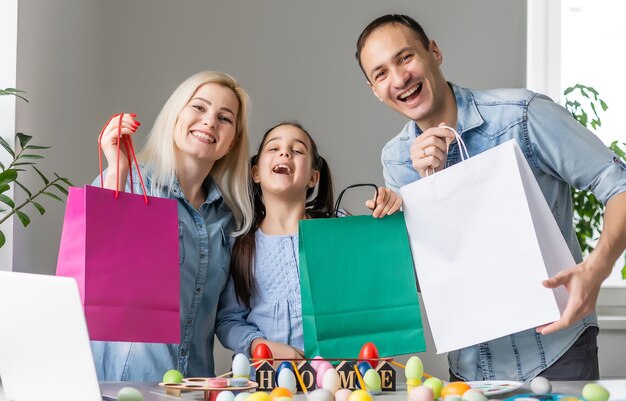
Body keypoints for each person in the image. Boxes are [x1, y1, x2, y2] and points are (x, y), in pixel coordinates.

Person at [355, 14, 626, 381]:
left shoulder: (523, 116)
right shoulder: (397, 159)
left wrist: (597, 269)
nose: (399, 78)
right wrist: (418, 197)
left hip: (558, 350)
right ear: (374, 89)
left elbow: (618, 184)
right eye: (381, 73)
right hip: (470, 370)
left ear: (434, 52)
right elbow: (429, 279)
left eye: (405, 58)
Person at [91, 71, 253, 381]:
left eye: (224, 118)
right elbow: (91, 276)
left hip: (192, 386)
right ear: (175, 115)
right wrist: (117, 172)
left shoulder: (228, 218)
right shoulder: (129, 183)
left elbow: (228, 314)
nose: (209, 122)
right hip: (123, 386)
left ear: (232, 143)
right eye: (199, 107)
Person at [216, 122, 402, 358]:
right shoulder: (240, 244)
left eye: (298, 150)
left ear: (313, 178)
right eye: (274, 148)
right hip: (265, 383)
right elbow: (228, 320)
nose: (285, 153)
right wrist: (260, 347)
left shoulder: (338, 227)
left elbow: (373, 286)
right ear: (255, 173)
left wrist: (385, 215)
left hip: (338, 380)